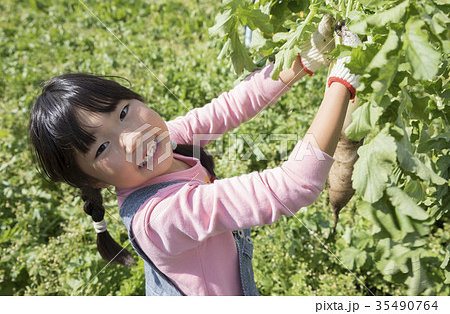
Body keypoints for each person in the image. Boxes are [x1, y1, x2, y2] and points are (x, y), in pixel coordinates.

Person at [28, 15, 361, 295]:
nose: (131, 138)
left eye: (124, 112)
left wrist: (306, 58)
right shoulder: (161, 217)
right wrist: (341, 82)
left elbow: (234, 105)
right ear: (91, 179)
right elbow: (293, 185)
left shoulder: (162, 140)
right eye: (102, 147)